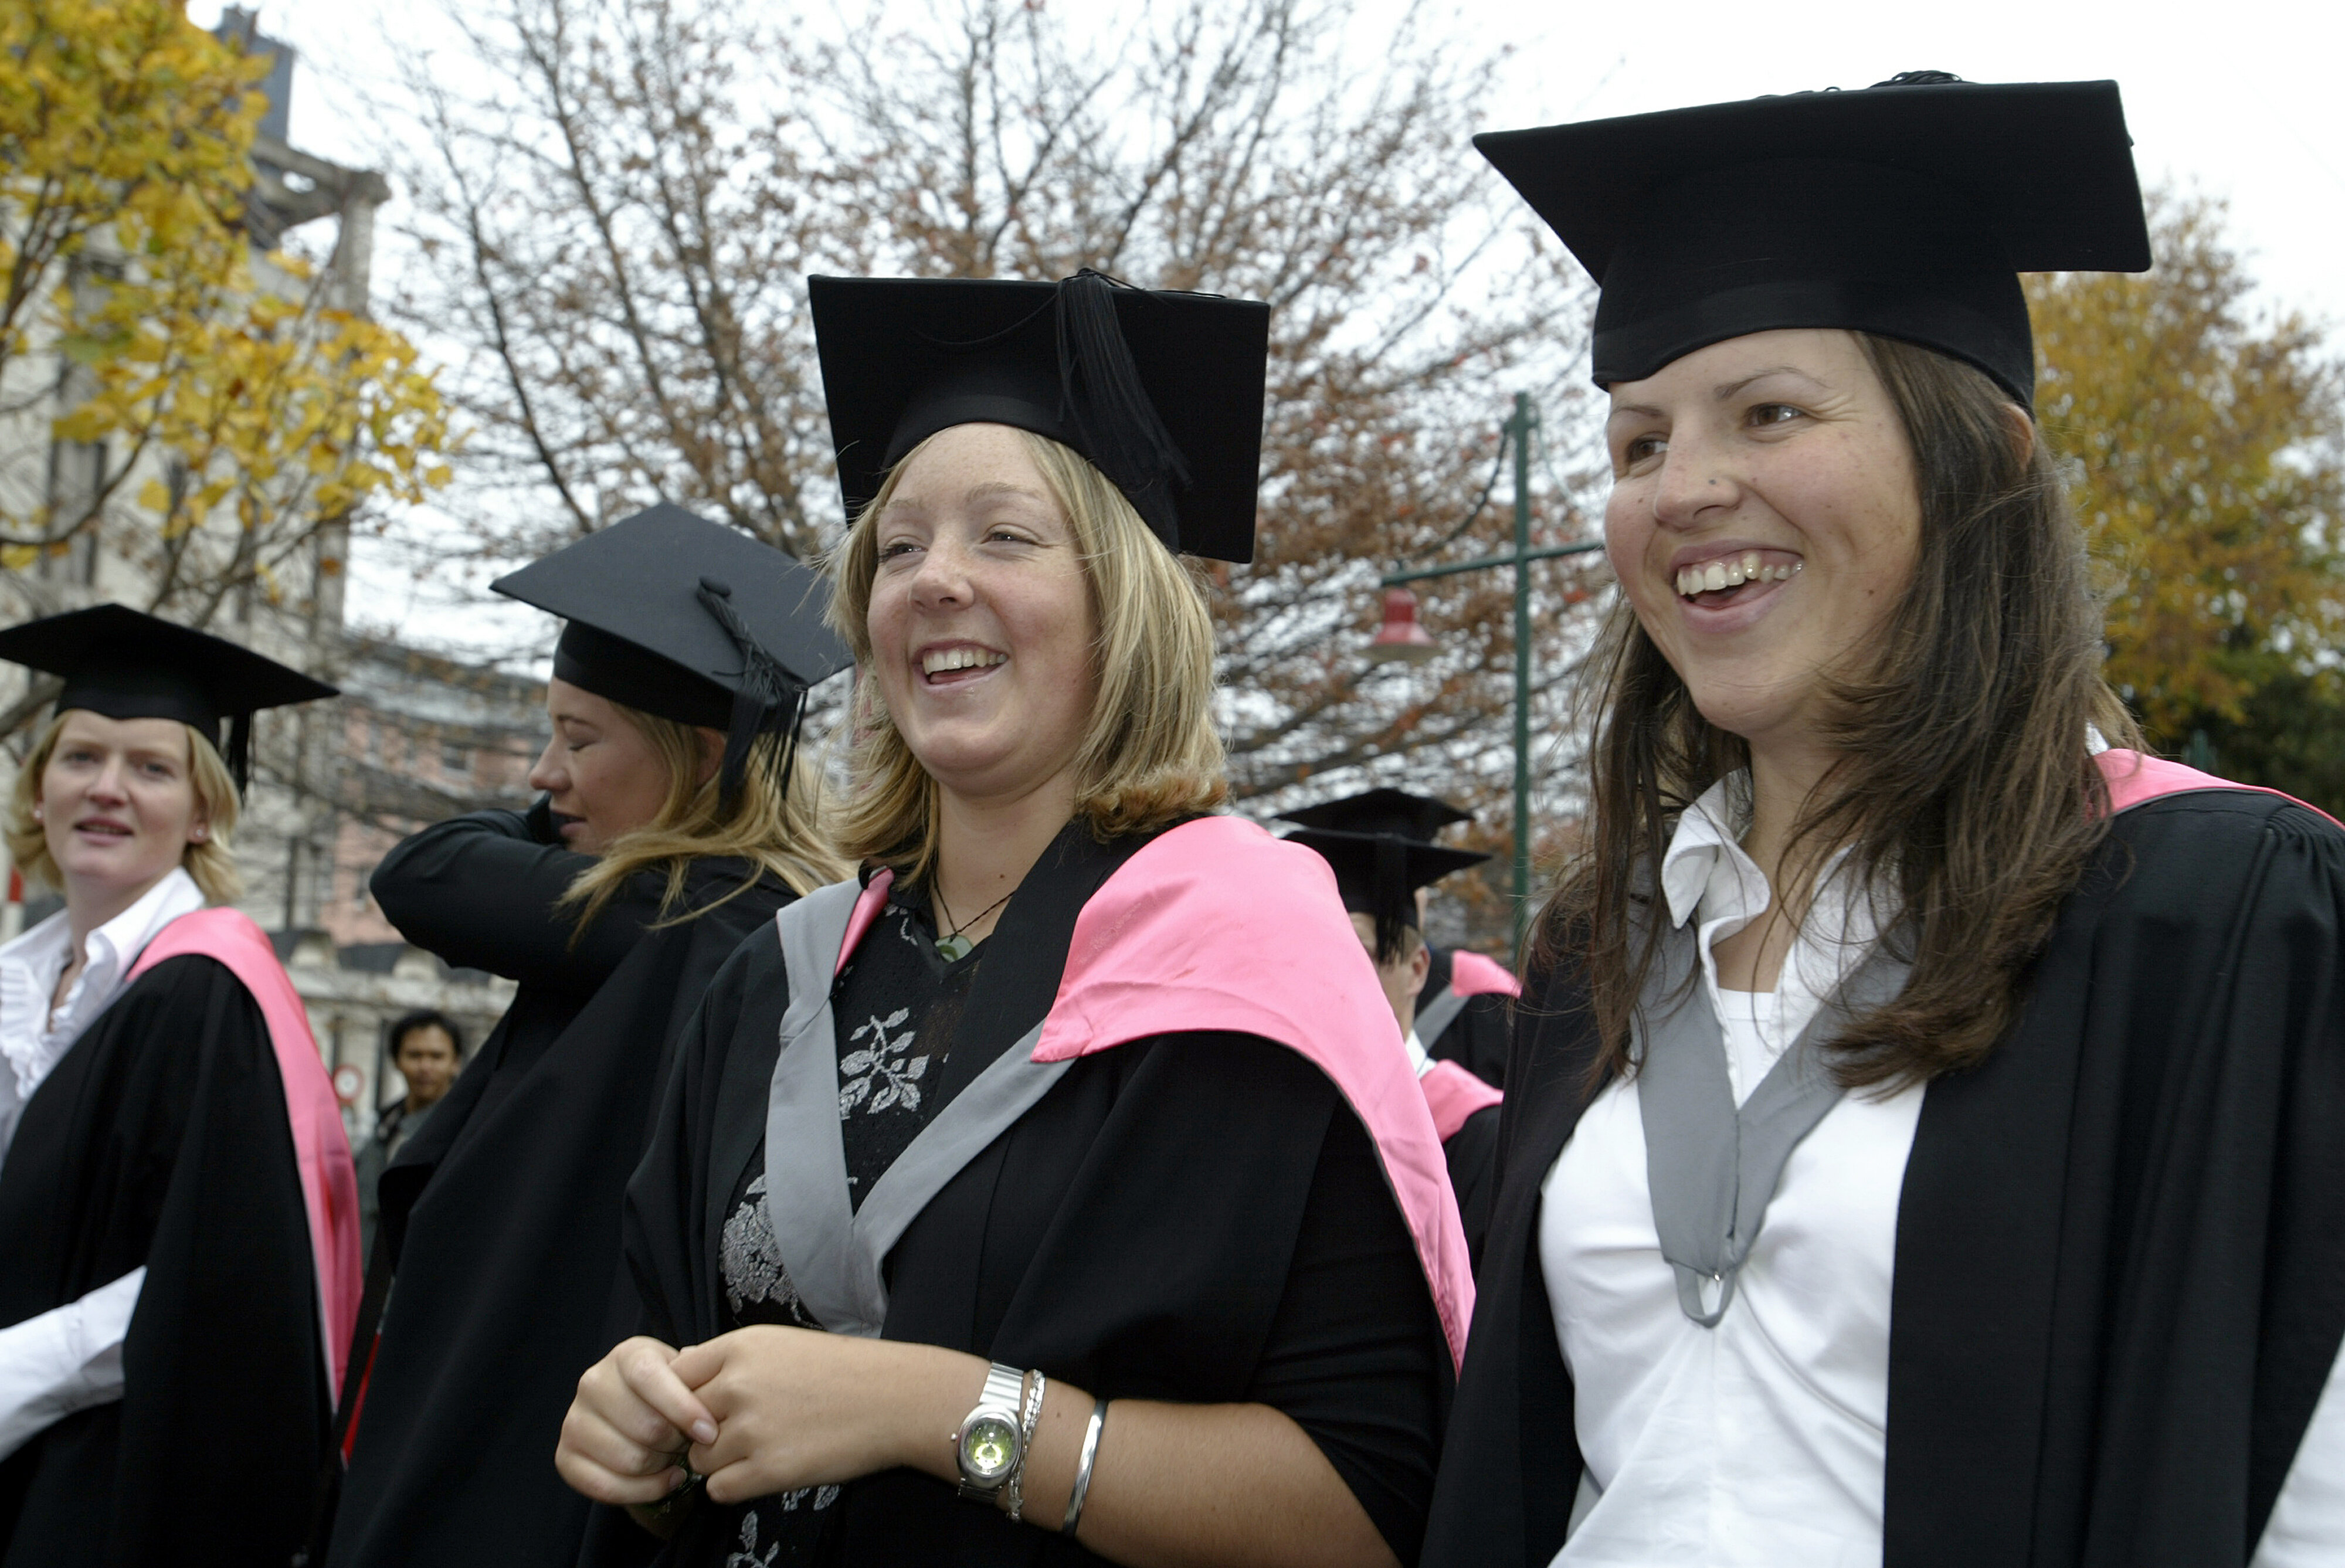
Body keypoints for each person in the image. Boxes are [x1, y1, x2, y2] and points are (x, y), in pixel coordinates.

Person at [1424, 73, 2345, 1568]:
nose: (1685, 488)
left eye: (1767, 413)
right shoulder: (1607, 945)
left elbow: (2309, 1500)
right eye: (1638, 444)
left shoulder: (2218, 913)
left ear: (1980, 454)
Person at [556, 271, 1472, 1568]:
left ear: (1124, 606)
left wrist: (943, 1413)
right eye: (897, 545)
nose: (933, 579)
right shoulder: (777, 982)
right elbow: (660, 1353)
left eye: (1004, 536)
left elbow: (1369, 1498)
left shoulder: (1241, 975)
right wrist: (632, 1432)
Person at [326, 505, 851, 1568]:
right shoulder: (732, 919)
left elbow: (423, 869)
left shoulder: (686, 926)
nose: (541, 774)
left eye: (577, 738)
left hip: (543, 1457)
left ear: (701, 757)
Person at [0, 604, 357, 1566]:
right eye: (80, 757)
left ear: (202, 809)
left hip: (101, 1479)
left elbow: (216, 1279)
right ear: (38, 791)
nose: (107, 787)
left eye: (152, 767)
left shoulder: (206, 992)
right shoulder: (20, 978)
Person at [1278, 789, 1506, 1263]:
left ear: (1418, 970)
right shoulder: (1282, 1113)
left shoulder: (1477, 1131)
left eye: (1360, 955)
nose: (1337, 977)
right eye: (1322, 952)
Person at [354, 1009, 464, 1260]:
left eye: (437, 1056)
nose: (425, 1067)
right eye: (415, 1055)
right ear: (396, 1060)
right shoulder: (381, 1128)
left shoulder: (466, 1132)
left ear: (455, 1062)